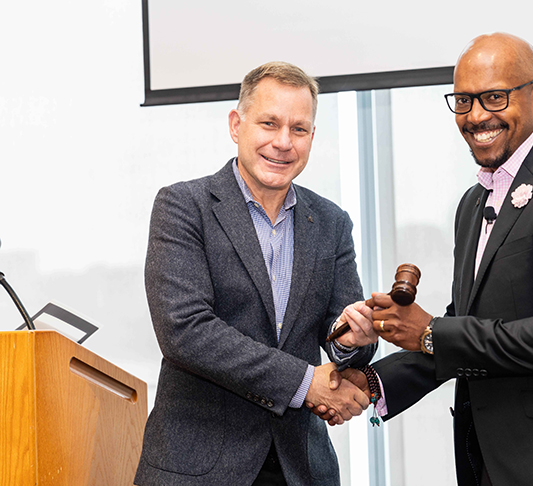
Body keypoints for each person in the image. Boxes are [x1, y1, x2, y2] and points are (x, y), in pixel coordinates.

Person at [322, 33, 533, 486]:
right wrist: (372, 382)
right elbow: (467, 323)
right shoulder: (472, 203)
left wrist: (429, 333)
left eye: (494, 97)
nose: (477, 115)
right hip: (490, 464)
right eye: (463, 101)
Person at [134, 62, 378, 486]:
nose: (283, 143)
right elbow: (185, 330)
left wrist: (353, 341)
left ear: (312, 137)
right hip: (197, 467)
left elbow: (339, 338)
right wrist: (305, 382)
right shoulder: (183, 206)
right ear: (236, 124)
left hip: (300, 468)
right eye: (269, 123)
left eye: (299, 129)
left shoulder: (332, 222)